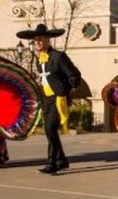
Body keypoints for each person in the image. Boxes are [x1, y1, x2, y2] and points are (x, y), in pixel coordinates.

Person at [16, 24, 81, 175]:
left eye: (40, 39)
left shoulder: (58, 57)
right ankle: (62, 160)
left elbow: (75, 75)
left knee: (50, 129)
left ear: (48, 40)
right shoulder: (39, 59)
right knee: (49, 131)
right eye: (35, 40)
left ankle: (52, 162)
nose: (37, 42)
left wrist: (67, 89)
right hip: (46, 99)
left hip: (58, 98)